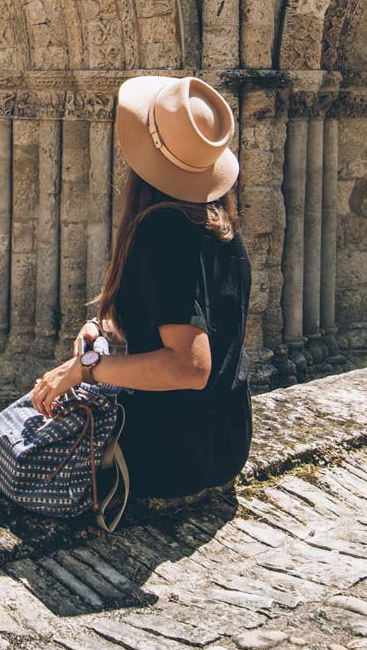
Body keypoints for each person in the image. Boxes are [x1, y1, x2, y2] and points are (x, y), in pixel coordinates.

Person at [27, 74, 253, 500]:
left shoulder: (164, 231)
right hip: (227, 443)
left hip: (170, 456)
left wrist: (84, 369)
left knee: (28, 455)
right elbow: (182, 315)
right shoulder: (220, 226)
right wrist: (104, 328)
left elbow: (190, 366)